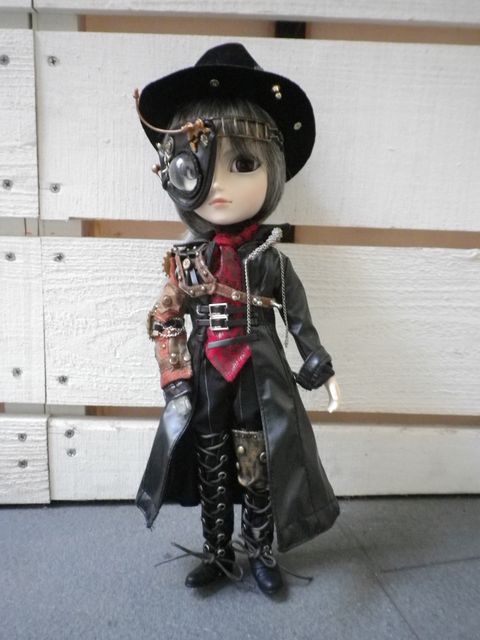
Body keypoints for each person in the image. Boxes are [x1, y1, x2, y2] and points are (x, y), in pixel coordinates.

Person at [134, 43, 341, 596]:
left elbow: (298, 317)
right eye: (197, 167)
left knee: (258, 462)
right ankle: (217, 551)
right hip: (205, 373)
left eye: (244, 164)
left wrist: (317, 363)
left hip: (259, 374)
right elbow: (165, 316)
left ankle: (261, 551)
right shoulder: (187, 262)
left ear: (272, 170)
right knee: (212, 462)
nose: (221, 186)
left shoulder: (270, 262)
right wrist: (174, 376)